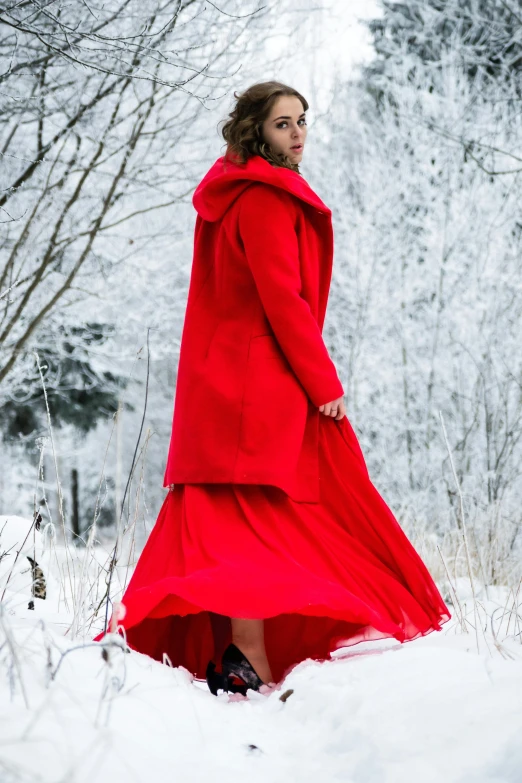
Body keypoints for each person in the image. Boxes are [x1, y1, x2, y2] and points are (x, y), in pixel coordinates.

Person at [97, 81, 450, 695]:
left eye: (302, 121)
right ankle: (254, 654)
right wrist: (323, 383)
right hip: (261, 382)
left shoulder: (232, 196)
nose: (298, 134)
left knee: (233, 523)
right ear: (256, 132)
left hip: (223, 382)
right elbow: (283, 301)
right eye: (283, 124)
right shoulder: (262, 199)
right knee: (303, 507)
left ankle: (242, 654)